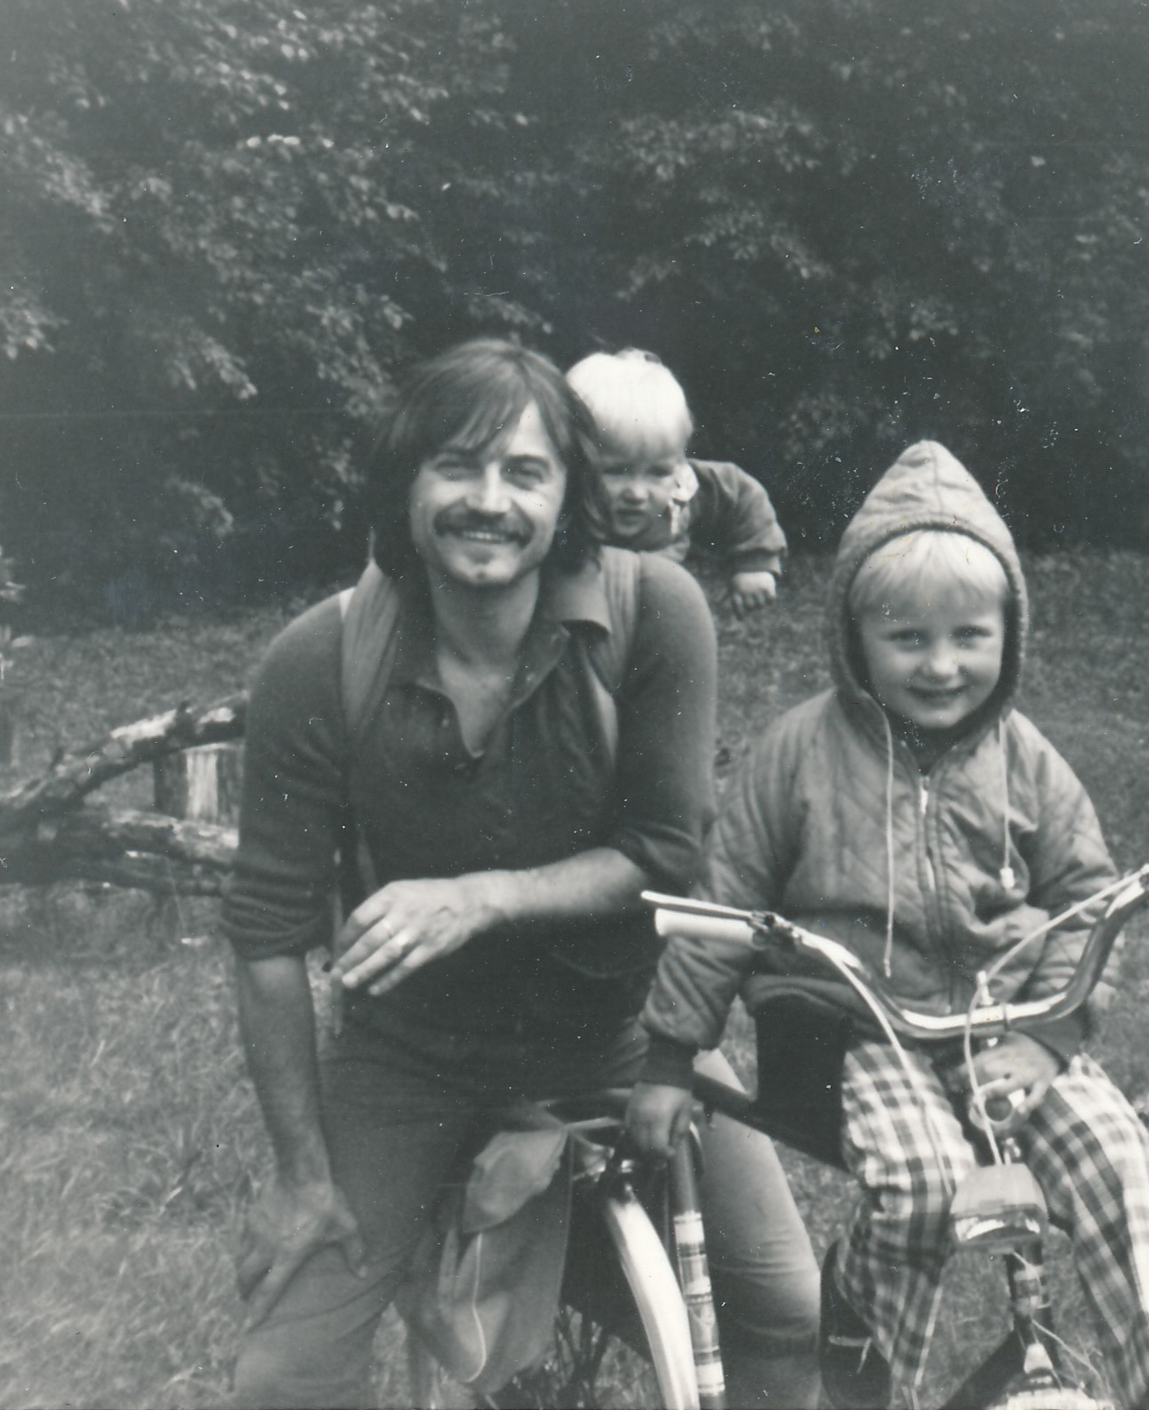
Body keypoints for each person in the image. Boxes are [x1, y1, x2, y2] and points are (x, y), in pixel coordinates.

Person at [221, 338, 819, 1407]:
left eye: (525, 473)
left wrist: (480, 898)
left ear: (566, 496)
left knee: (784, 1308)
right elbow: (266, 935)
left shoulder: (655, 611)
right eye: (456, 467)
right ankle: (510, 1264)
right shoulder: (319, 658)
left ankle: (551, 1261)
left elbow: (668, 856)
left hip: (621, 1034)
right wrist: (302, 1177)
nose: (488, 503)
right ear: (404, 485)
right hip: (408, 1055)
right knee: (284, 1370)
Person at [627, 441, 1149, 1410]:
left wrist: (1048, 1037)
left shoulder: (1023, 756)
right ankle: (861, 1370)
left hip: (1005, 1026)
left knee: (1114, 1152)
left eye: (969, 637)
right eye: (908, 639)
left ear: (1008, 636)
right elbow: (721, 906)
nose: (942, 665)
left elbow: (1088, 894)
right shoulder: (796, 753)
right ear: (855, 637)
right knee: (921, 1185)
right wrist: (669, 1060)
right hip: (856, 1031)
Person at [564, 348, 788, 616]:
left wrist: (755, 564)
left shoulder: (681, 490)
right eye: (616, 471)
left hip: (659, 608)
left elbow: (740, 495)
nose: (637, 493)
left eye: (658, 473)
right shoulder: (561, 505)